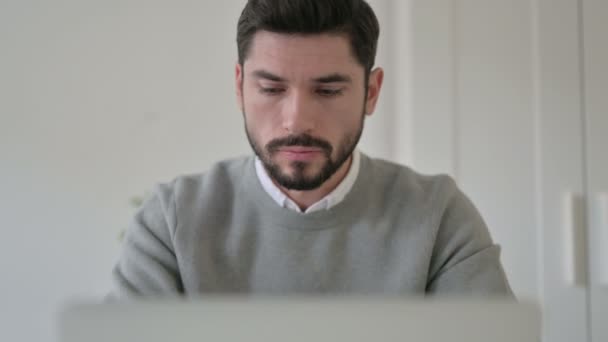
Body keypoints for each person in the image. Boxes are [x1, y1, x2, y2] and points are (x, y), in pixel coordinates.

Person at [110, 0, 513, 297]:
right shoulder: (171, 221)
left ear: (371, 92)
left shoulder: (439, 217)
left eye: (328, 90)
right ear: (239, 87)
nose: (297, 120)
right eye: (271, 89)